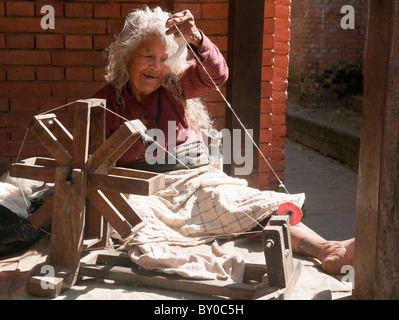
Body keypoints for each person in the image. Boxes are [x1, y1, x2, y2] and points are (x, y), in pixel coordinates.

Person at [93, 6, 354, 275]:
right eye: (148, 56)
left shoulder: (174, 84)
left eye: (163, 58)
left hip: (196, 181)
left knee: (243, 201)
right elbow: (93, 163)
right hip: (147, 191)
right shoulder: (106, 101)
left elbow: (217, 74)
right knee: (137, 221)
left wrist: (196, 37)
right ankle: (194, 267)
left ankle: (326, 248)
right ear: (127, 57)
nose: (156, 67)